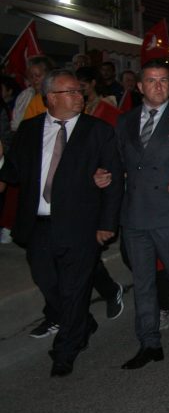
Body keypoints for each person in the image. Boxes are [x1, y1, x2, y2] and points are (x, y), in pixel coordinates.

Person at [0, 69, 123, 376]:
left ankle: (65, 350)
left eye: (80, 91)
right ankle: (81, 321)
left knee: (73, 289)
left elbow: (114, 181)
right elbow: (13, 172)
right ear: (51, 98)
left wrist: (107, 223)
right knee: (47, 281)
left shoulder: (98, 131)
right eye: (71, 92)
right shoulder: (30, 130)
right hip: (38, 224)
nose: (79, 96)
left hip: (81, 225)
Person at [116, 59, 169, 369]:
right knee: (143, 281)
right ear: (139, 86)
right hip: (135, 213)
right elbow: (117, 159)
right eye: (151, 80)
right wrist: (105, 175)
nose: (159, 86)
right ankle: (149, 342)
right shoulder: (125, 121)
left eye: (164, 80)